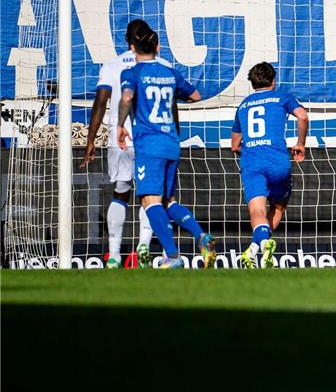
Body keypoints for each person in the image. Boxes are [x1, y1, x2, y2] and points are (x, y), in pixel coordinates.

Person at [116, 25, 214, 270]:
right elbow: (196, 95)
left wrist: (120, 124)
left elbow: (127, 97)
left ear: (131, 48)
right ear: (158, 47)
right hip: (172, 142)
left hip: (150, 143)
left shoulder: (132, 72)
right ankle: (202, 237)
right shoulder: (170, 73)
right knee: (168, 200)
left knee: (150, 201)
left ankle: (172, 255)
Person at [81, 20, 164, 268]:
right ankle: (142, 251)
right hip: (151, 138)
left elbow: (100, 102)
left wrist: (91, 138)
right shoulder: (160, 65)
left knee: (121, 191)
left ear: (127, 41)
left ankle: (114, 255)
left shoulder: (112, 65)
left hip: (120, 137)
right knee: (150, 195)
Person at [231, 63, 308, 269]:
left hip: (252, 162)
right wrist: (300, 143)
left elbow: (234, 145)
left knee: (257, 209)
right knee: (278, 205)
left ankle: (259, 245)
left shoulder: (244, 105)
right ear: (273, 81)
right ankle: (261, 250)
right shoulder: (282, 97)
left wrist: (250, 148)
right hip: (278, 161)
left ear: (252, 83)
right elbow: (302, 115)